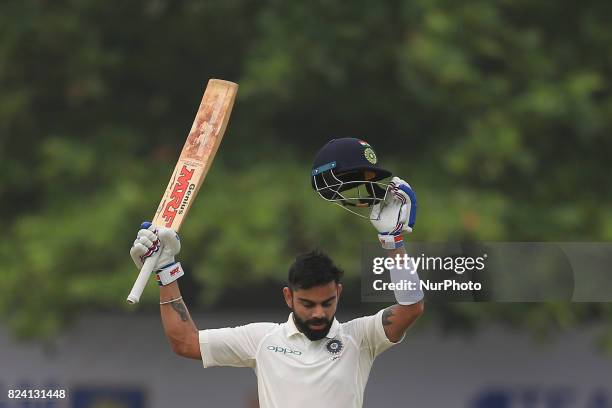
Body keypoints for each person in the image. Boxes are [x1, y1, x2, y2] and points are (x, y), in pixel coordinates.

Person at [130, 138, 424, 408]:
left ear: (339, 294)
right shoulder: (264, 340)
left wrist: (393, 244)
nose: (319, 313)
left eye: (327, 303)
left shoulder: (358, 339)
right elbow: (185, 342)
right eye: (308, 304)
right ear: (289, 297)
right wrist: (166, 271)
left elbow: (411, 308)